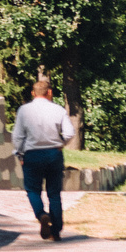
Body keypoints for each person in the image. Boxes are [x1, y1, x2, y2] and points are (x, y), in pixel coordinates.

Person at [11, 75, 77, 241]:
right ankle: (55, 231)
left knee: (33, 190)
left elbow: (17, 136)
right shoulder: (59, 110)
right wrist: (61, 143)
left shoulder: (24, 110)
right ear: (50, 92)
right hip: (54, 154)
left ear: (33, 93)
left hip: (32, 154)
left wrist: (20, 154)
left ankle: (41, 215)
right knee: (54, 194)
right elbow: (70, 132)